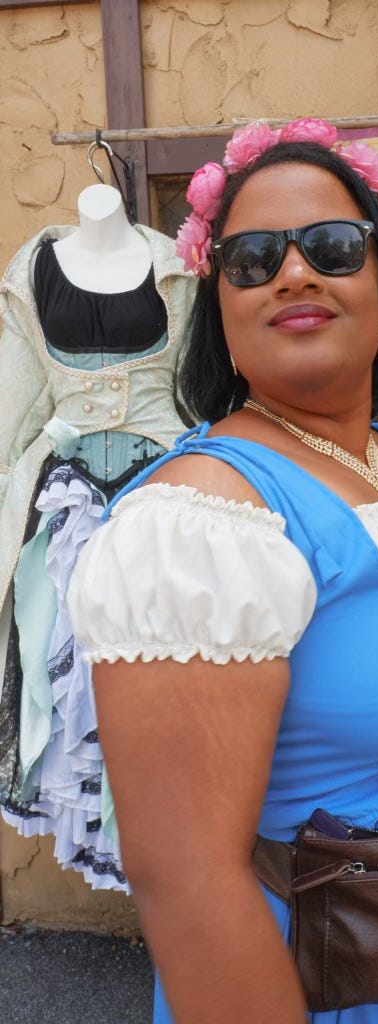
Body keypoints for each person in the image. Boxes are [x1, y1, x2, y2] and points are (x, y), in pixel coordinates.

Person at [67, 119, 378, 1023]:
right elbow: (188, 883)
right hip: (354, 988)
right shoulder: (200, 524)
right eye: (253, 258)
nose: (295, 272)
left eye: (334, 247)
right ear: (218, 311)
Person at [0, 181, 196, 889]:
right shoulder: (30, 278)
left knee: (163, 670)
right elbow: (13, 405)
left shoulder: (178, 271)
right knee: (73, 678)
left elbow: (204, 389)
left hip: (166, 501)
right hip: (64, 513)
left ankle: (174, 847)